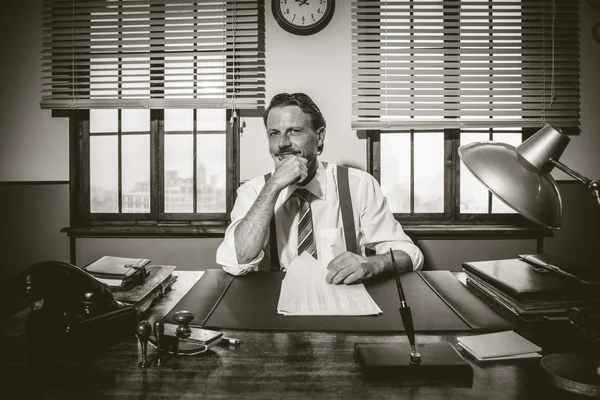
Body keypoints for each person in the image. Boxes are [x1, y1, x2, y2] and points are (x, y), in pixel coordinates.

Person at [216, 93, 423, 284]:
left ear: (320, 137)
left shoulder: (359, 185)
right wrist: (272, 187)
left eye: (294, 131)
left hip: (343, 302)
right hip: (274, 302)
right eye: (274, 134)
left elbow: (409, 253)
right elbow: (236, 262)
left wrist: (373, 264)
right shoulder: (254, 191)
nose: (282, 143)